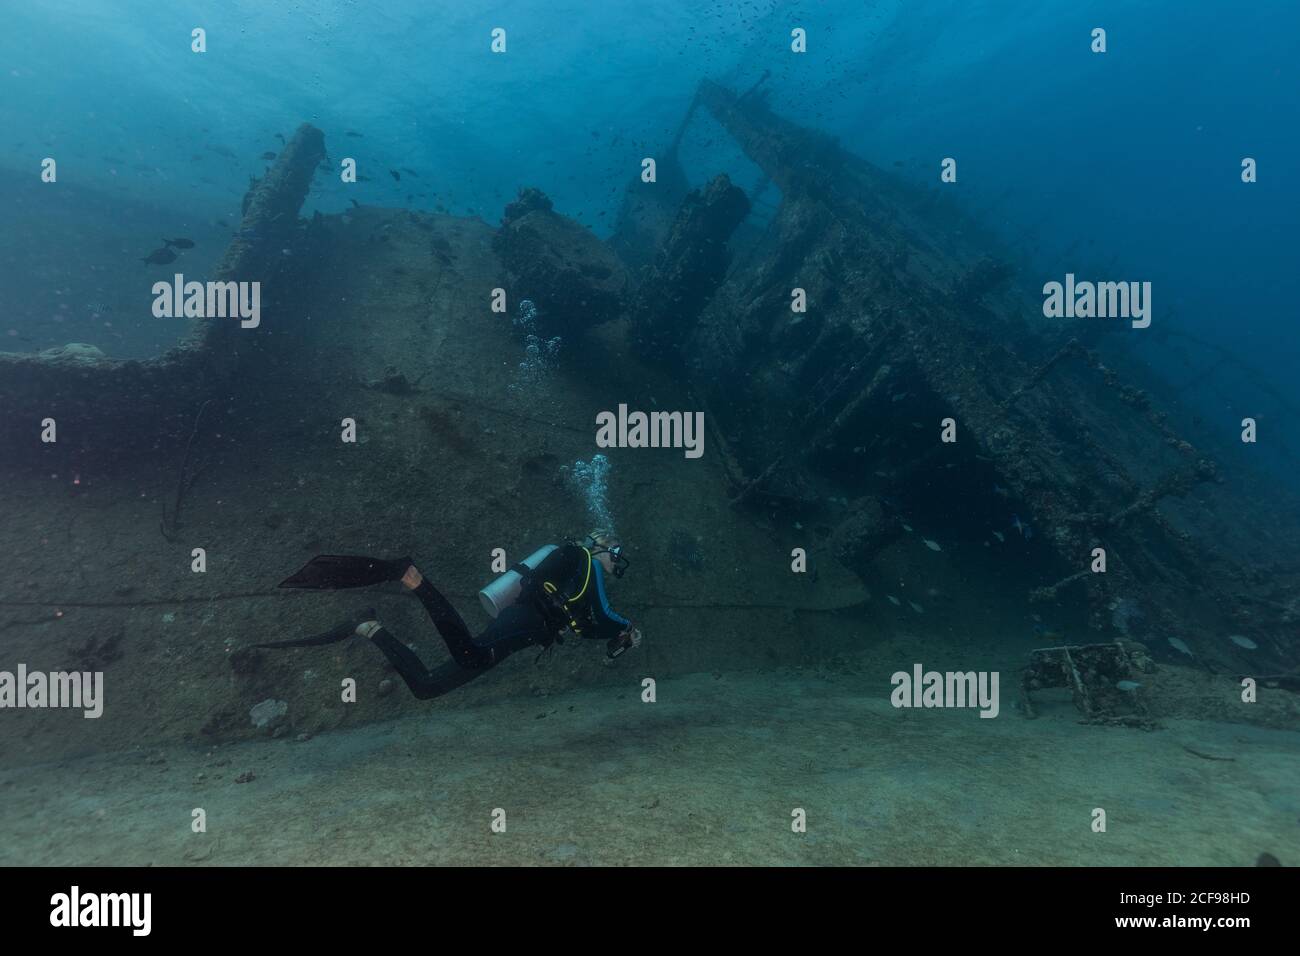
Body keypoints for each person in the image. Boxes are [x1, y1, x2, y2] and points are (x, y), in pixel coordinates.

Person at [259, 530, 642, 700]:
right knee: (471, 654)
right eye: (616, 549)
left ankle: (368, 626)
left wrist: (614, 639)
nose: (617, 558)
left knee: (427, 688)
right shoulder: (585, 560)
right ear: (601, 546)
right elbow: (603, 612)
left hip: (524, 626)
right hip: (523, 622)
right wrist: (627, 627)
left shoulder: (575, 565)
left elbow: (586, 624)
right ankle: (414, 578)